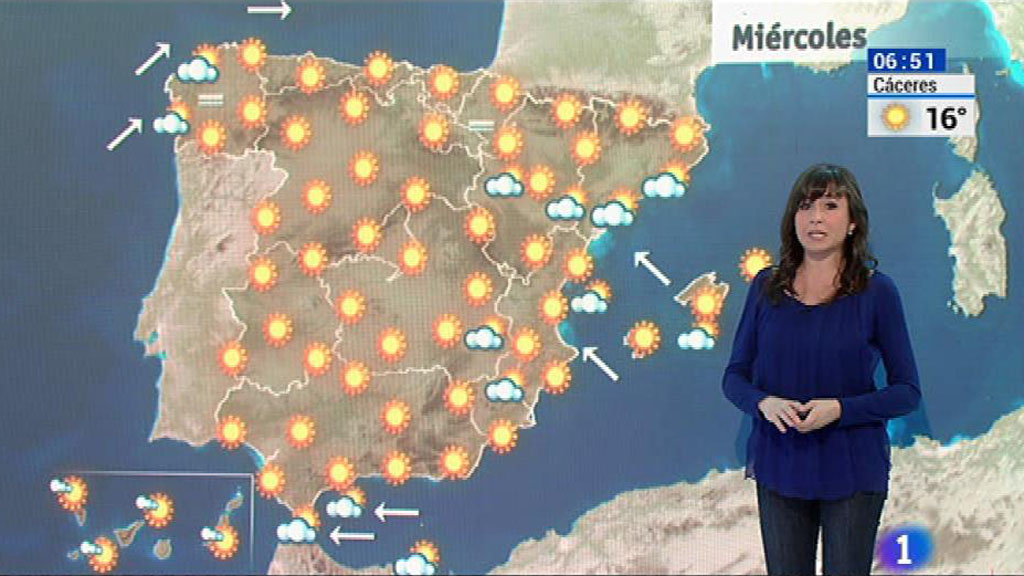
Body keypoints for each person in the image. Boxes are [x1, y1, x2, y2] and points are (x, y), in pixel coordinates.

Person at [722, 163, 921, 575]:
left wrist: (840, 410)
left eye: (830, 206)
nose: (815, 217)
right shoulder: (766, 287)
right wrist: (763, 403)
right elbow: (734, 377)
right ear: (792, 218)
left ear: (852, 223)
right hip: (780, 464)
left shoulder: (877, 292)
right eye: (806, 206)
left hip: (851, 467)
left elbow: (906, 392)